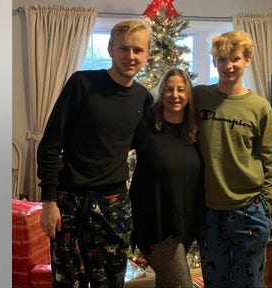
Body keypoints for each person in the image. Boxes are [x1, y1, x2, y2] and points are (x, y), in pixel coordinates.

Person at [36, 18, 153, 288]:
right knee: (68, 282)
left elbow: (150, 148)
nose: (130, 56)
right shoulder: (82, 84)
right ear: (110, 49)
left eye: (137, 50)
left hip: (114, 206)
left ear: (147, 55)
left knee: (111, 282)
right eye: (124, 48)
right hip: (69, 203)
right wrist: (48, 202)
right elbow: (51, 142)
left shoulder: (143, 99)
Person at [193, 31, 272, 287]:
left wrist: (266, 203)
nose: (228, 65)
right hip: (209, 211)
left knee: (248, 283)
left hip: (249, 210)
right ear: (214, 62)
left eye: (235, 58)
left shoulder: (259, 106)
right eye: (221, 59)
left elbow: (268, 158)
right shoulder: (199, 97)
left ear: (248, 61)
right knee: (214, 282)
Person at [129, 68, 204, 288]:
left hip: (185, 221)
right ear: (161, 92)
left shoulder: (196, 130)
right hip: (155, 225)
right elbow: (112, 146)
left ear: (188, 93)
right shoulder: (145, 126)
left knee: (166, 283)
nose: (175, 95)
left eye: (181, 89)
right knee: (180, 284)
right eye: (169, 89)